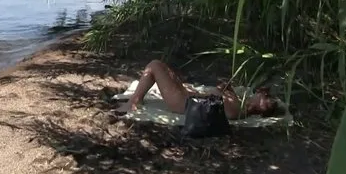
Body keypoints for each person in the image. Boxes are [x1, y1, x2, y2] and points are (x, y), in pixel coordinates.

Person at [116, 59, 278, 120]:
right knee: (164, 69)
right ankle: (137, 97)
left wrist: (226, 91)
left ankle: (133, 102)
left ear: (261, 107)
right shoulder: (239, 102)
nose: (263, 93)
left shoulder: (239, 109)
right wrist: (227, 90)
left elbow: (226, 110)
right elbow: (221, 95)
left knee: (154, 65)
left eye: (266, 98)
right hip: (187, 97)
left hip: (183, 103)